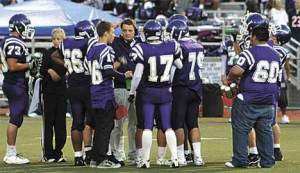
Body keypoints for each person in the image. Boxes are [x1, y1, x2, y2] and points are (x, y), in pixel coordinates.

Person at [225, 16, 277, 168]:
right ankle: (267, 161)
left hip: (250, 98)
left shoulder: (250, 52)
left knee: (240, 128)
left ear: (254, 37)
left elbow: (236, 70)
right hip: (268, 100)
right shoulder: (275, 54)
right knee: (265, 131)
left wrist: (230, 78)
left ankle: (240, 160)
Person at [129, 20, 183, 168]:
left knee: (147, 127)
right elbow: (179, 65)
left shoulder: (141, 48)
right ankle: (175, 159)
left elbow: (138, 75)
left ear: (146, 33)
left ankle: (145, 160)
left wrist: (132, 91)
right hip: (165, 91)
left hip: (148, 92)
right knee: (167, 126)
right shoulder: (171, 46)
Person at [85, 21, 132, 168]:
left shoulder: (91, 50)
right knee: (106, 127)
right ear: (105, 34)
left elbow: (89, 71)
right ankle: (101, 158)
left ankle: (95, 157)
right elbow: (107, 71)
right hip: (104, 93)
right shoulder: (106, 49)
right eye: (112, 32)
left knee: (100, 126)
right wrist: (124, 75)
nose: (114, 35)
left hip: (93, 92)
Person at [51, 20, 97, 166]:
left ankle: (78, 156)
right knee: (91, 121)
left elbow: (54, 56)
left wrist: (67, 64)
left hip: (72, 86)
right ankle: (89, 152)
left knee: (77, 122)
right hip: (87, 86)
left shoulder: (67, 42)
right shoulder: (89, 43)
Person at [167, 19, 204, 166]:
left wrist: (168, 84)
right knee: (193, 123)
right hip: (196, 88)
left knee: (178, 124)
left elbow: (174, 69)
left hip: (181, 87)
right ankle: (198, 157)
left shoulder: (178, 46)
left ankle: (181, 157)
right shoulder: (199, 45)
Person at [1, 13, 37, 164]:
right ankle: (10, 154)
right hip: (14, 83)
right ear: (19, 27)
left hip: (12, 82)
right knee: (15, 117)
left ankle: (12, 152)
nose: (28, 30)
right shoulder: (15, 41)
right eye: (26, 26)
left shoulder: (7, 40)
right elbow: (12, 65)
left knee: (17, 117)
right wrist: (30, 65)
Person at [110, 18, 138, 163]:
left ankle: (133, 154)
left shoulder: (140, 43)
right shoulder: (115, 42)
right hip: (120, 86)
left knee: (134, 123)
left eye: (130, 30)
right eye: (125, 30)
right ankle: (117, 153)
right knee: (118, 124)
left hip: (137, 87)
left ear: (135, 30)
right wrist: (114, 25)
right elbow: (101, 32)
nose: (127, 33)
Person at [40, 28, 67, 163]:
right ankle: (48, 154)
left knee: (61, 125)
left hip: (62, 92)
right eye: (54, 39)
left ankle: (58, 152)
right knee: (49, 123)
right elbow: (41, 69)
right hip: (49, 92)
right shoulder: (47, 52)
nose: (56, 41)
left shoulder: (67, 54)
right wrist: (50, 70)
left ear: (63, 40)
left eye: (59, 39)